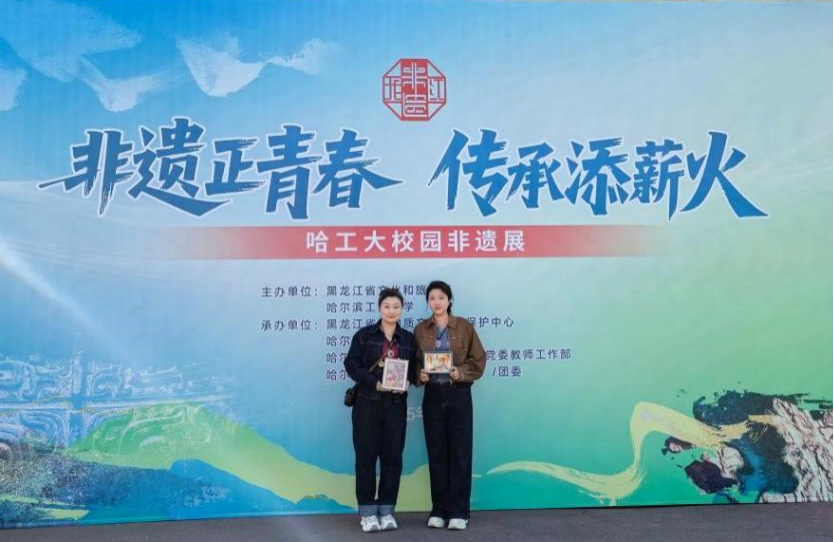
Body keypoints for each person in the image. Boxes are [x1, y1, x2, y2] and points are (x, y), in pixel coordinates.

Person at [344, 287, 419, 533]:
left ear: (402, 309)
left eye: (396, 306)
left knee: (392, 459)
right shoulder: (364, 335)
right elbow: (351, 364)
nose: (391, 311)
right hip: (367, 403)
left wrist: (409, 380)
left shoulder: (408, 339)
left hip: (396, 406)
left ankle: (387, 511)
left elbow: (415, 369)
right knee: (365, 458)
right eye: (387, 306)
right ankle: (367, 513)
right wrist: (373, 382)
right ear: (379, 308)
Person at [414, 280, 486, 531]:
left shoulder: (464, 326)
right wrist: (420, 375)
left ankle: (459, 511)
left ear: (449, 300)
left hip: (458, 393)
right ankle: (439, 510)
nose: (437, 302)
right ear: (428, 302)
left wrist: (460, 372)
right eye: (432, 298)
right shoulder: (420, 329)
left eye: (441, 297)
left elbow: (479, 360)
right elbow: (414, 363)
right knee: (436, 452)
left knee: (460, 453)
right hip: (433, 395)